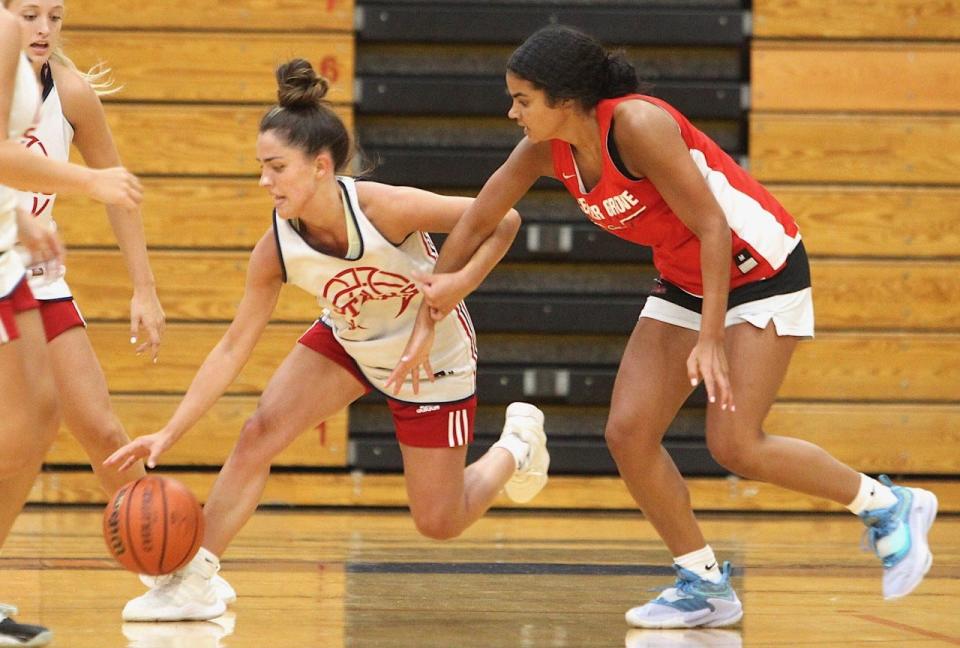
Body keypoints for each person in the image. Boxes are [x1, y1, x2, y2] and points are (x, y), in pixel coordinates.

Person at [388, 25, 938, 629]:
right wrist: (435, 298)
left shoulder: (638, 125)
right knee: (628, 432)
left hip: (760, 267)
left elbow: (713, 227)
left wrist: (710, 340)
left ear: (565, 99)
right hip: (686, 277)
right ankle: (703, 582)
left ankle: (887, 504)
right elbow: (475, 222)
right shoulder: (546, 150)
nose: (511, 111)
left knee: (736, 444)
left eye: (522, 99)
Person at [104, 58, 549, 622]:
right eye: (261, 168)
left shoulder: (385, 208)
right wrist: (171, 430)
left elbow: (502, 220)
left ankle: (518, 446)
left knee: (439, 520)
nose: (265, 181)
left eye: (275, 167)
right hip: (351, 341)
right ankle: (196, 575)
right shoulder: (276, 248)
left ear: (319, 167)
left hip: (430, 355)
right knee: (258, 433)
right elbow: (233, 347)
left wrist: (458, 283)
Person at [1, 5, 142, 644]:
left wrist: (145, 288)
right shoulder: (4, 59)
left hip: (26, 268)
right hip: (10, 261)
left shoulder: (65, 88)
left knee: (67, 423)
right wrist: (85, 182)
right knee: (28, 423)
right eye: (27, 12)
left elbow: (121, 192)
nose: (41, 26)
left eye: (53, 14)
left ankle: (174, 569)